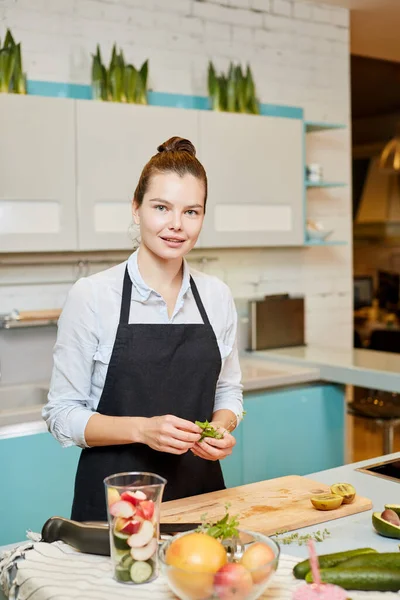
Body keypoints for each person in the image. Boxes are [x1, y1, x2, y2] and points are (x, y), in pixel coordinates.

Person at [43, 136, 243, 522]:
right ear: (136, 209)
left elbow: (228, 389)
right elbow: (62, 415)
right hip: (115, 506)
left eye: (191, 212)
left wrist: (220, 428)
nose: (175, 225)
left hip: (201, 497)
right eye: (161, 207)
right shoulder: (92, 295)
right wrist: (143, 430)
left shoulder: (217, 296)